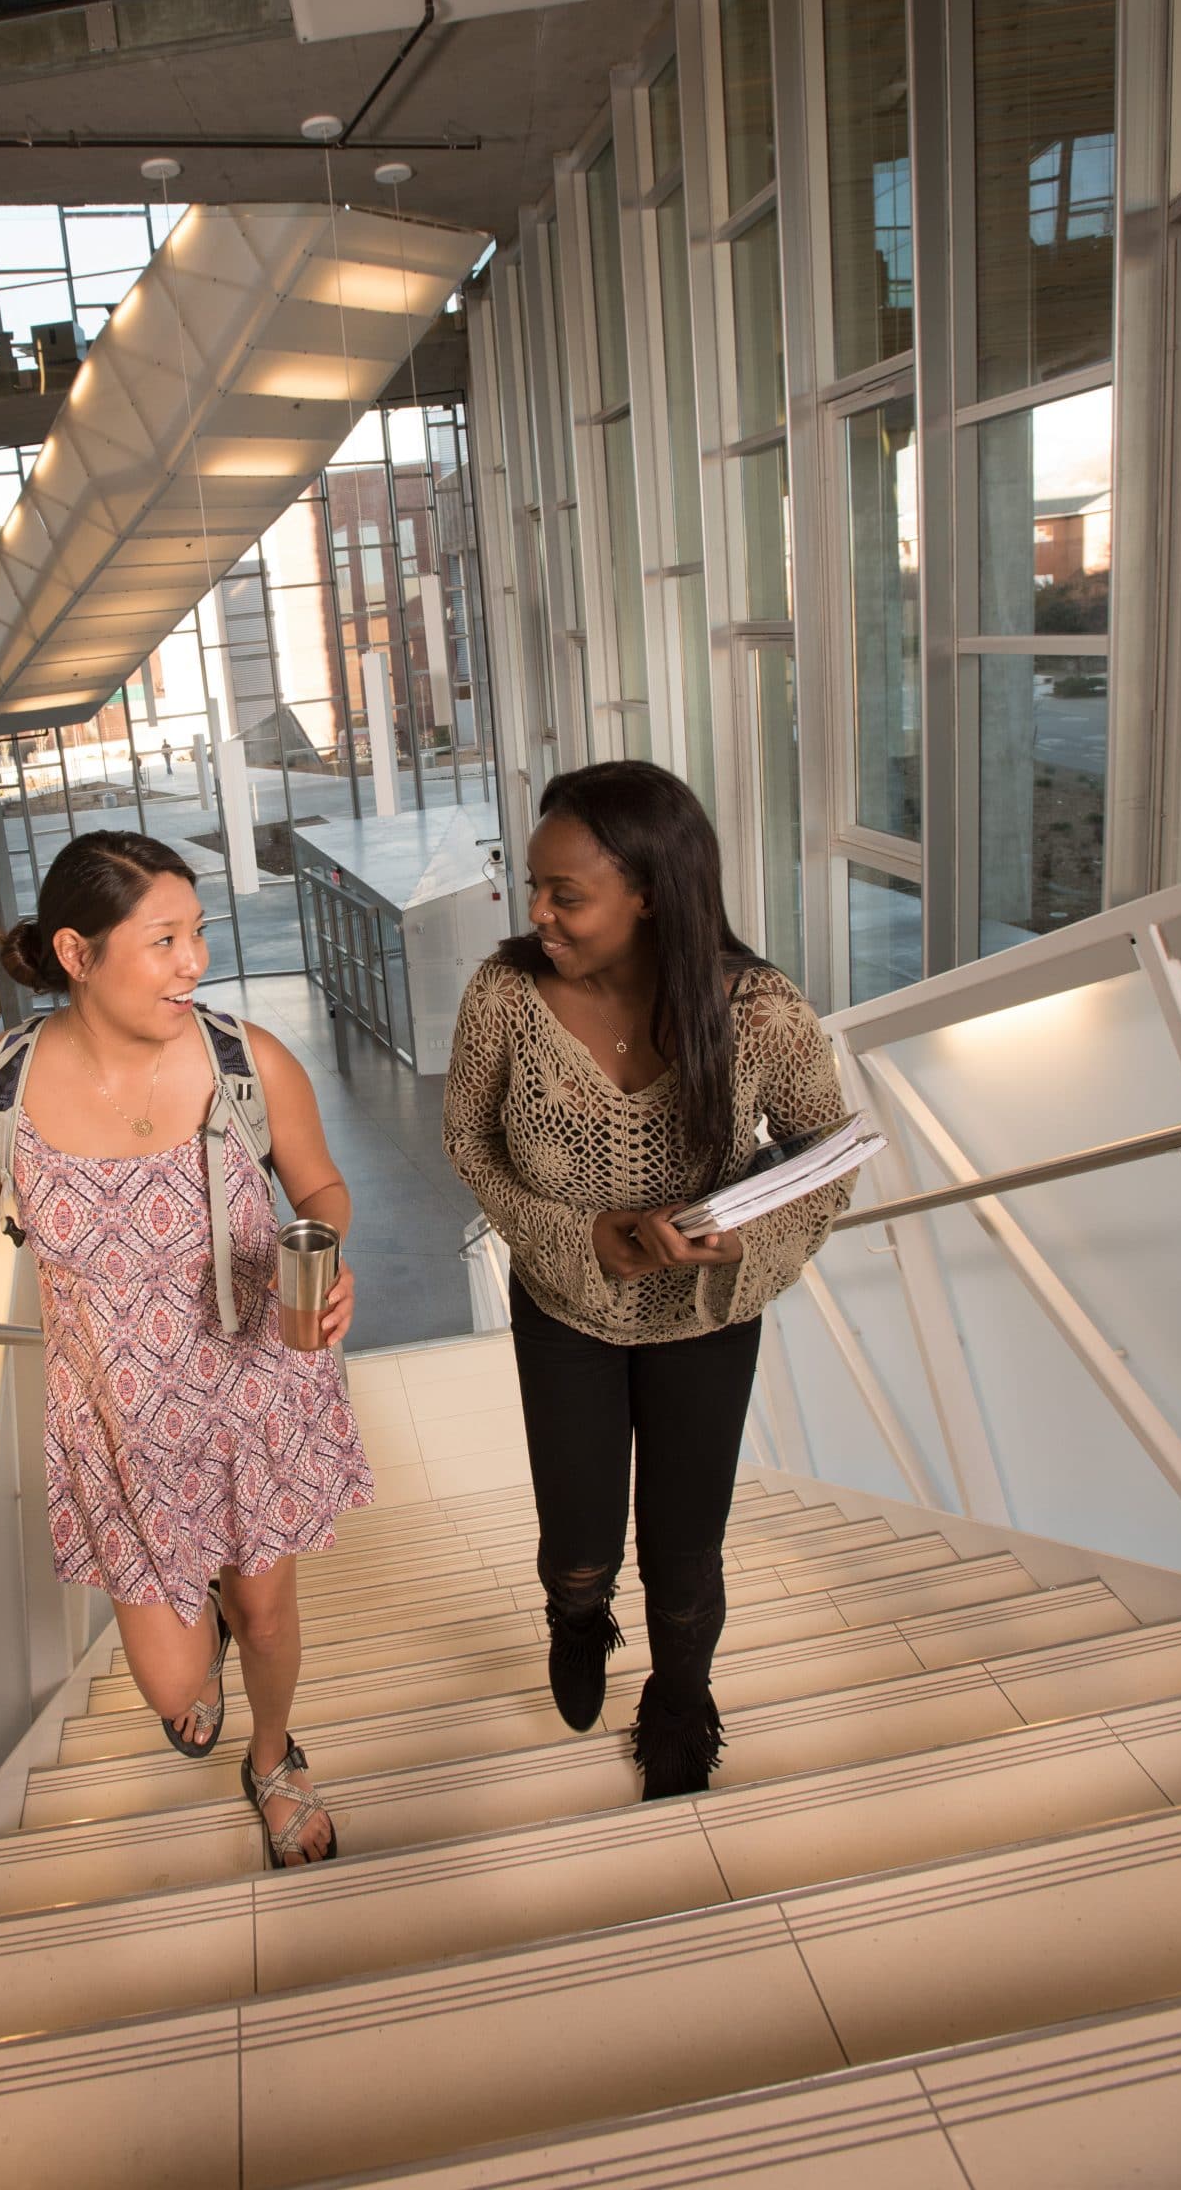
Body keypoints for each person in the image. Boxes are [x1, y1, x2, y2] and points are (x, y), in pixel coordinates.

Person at [0, 829, 373, 1866]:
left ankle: (273, 1758)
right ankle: (210, 1639)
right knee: (174, 1689)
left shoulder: (245, 1063)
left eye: (198, 935)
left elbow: (317, 1187)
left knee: (267, 1617)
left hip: (252, 1386)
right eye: (164, 940)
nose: (195, 963)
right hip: (121, 1420)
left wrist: (324, 1257)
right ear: (77, 954)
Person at [442, 762, 856, 1802]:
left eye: (563, 894)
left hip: (706, 1322)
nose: (535, 912)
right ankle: (576, 1621)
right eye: (530, 883)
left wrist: (743, 1239)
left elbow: (826, 1159)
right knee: (575, 1543)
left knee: (683, 1554)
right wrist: (585, 1238)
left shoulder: (758, 1008)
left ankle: (679, 1700)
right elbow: (469, 1141)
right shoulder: (504, 994)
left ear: (651, 892)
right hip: (562, 1307)